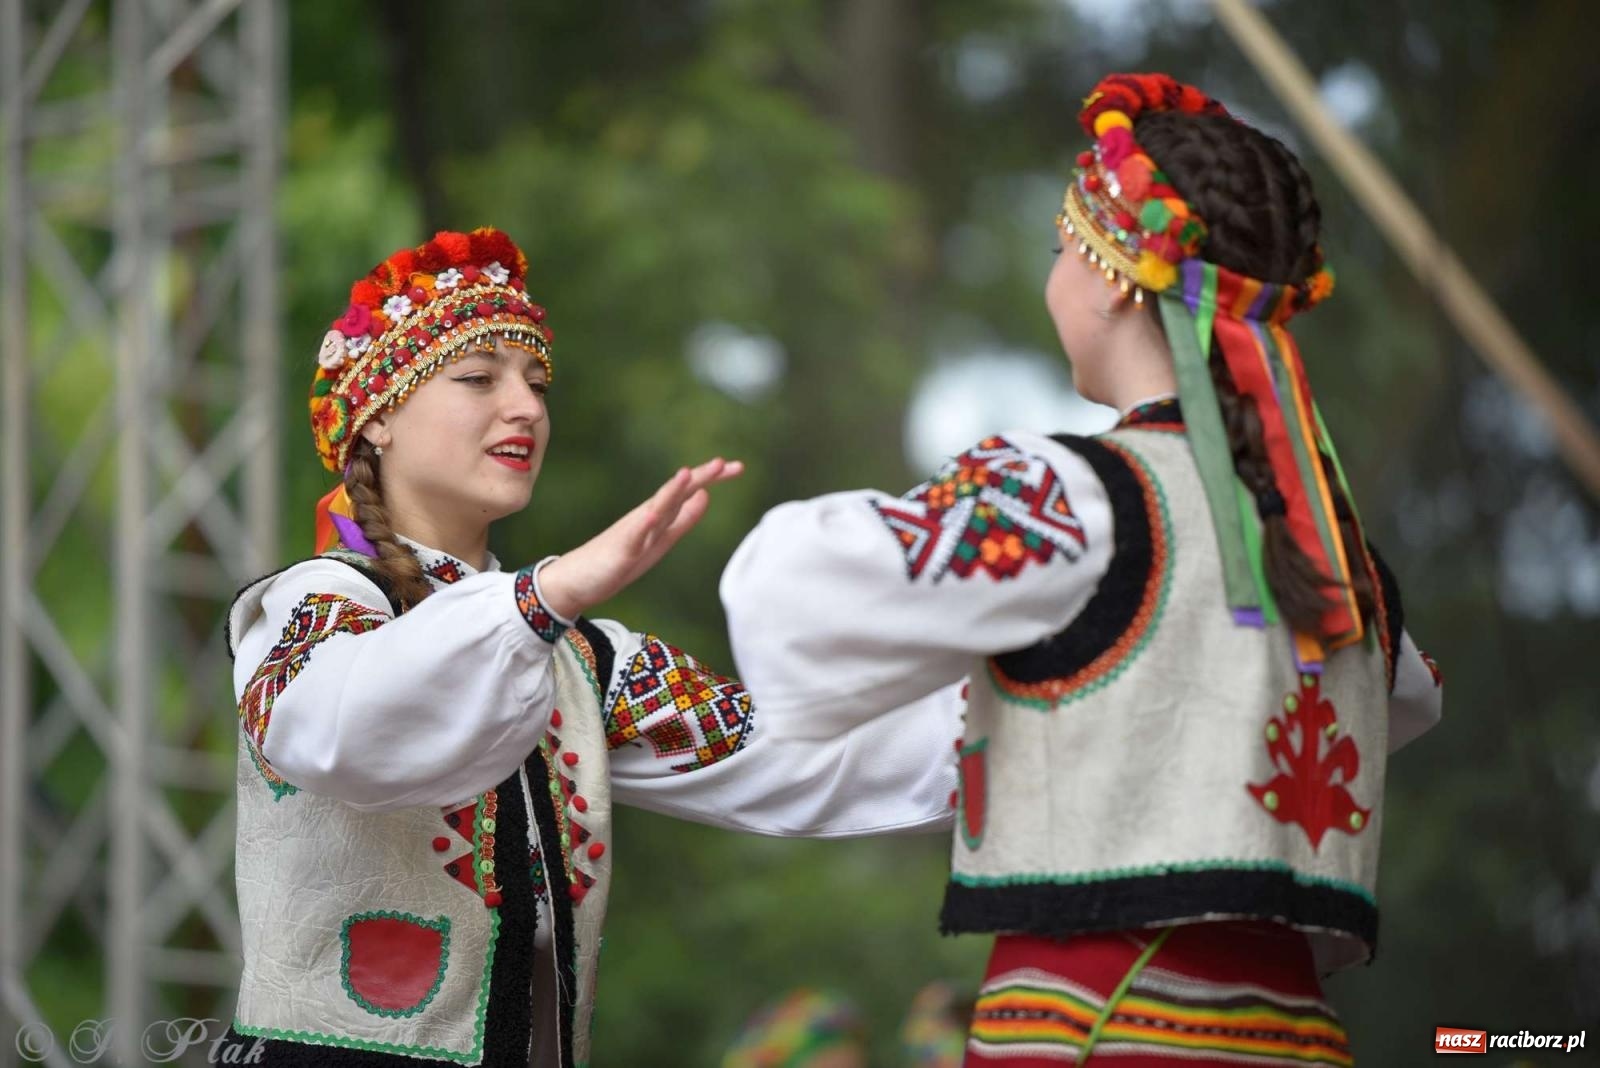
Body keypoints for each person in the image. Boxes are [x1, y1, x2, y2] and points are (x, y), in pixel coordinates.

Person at [720, 75, 1445, 1066]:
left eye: (1062, 248)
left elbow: (789, 594)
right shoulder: (1338, 554)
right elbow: (1409, 701)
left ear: (1112, 278)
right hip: (1298, 1042)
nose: (1054, 274)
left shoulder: (1074, 500)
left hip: (1093, 1033)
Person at [222, 228, 961, 1067]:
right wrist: (542, 597)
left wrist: (1028, 702)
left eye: (537, 383)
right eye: (479, 378)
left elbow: (803, 747)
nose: (527, 408)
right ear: (380, 416)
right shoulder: (316, 605)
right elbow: (338, 727)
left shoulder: (582, 664)